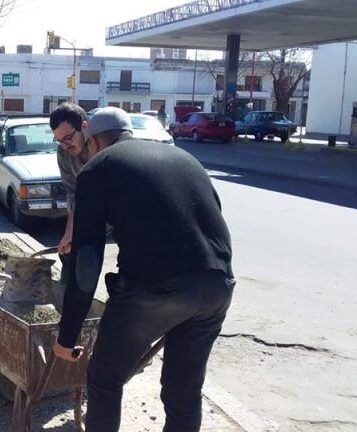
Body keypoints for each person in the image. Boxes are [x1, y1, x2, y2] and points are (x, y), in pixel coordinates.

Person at [52, 107, 234, 432]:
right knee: (184, 392)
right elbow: (211, 216)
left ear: (92, 141)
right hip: (217, 285)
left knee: (104, 377)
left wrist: (67, 336)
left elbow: (87, 262)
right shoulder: (184, 159)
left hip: (156, 290)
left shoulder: (97, 169)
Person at [49, 103, 90, 282]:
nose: (65, 146)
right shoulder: (64, 153)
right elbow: (73, 194)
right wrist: (69, 232)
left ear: (84, 127)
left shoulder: (102, 145)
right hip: (90, 212)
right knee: (69, 254)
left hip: (117, 212)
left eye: (68, 138)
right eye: (59, 140)